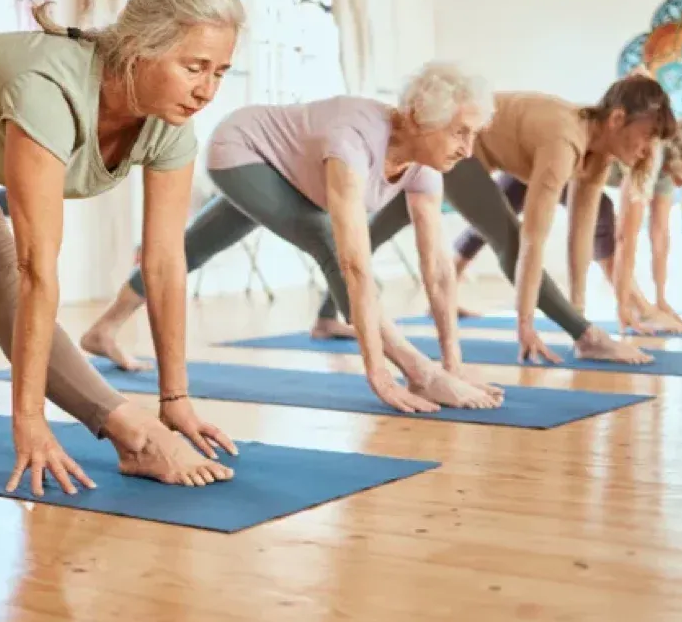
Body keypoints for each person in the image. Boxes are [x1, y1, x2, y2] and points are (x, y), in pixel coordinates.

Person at [0, 0, 245, 499]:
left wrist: (175, 396)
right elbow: (35, 269)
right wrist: (28, 421)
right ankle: (132, 433)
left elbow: (162, 263)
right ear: (138, 47)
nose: (207, 90)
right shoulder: (48, 91)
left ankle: (139, 430)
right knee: (6, 274)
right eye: (194, 67)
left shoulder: (170, 125)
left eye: (220, 72)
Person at [82, 62, 507, 413]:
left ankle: (103, 330)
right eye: (459, 132)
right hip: (243, 150)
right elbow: (352, 262)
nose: (468, 150)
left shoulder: (426, 163)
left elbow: (437, 268)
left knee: (194, 247)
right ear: (418, 119)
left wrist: (454, 361)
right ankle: (418, 371)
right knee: (326, 242)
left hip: (285, 169)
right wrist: (390, 372)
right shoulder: (354, 139)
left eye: (473, 135)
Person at [310, 75, 677, 364]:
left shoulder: (596, 157)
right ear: (616, 119)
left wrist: (580, 309)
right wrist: (528, 324)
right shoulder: (563, 140)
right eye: (646, 137)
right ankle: (586, 336)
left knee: (374, 232)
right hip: (457, 148)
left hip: (473, 153)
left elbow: (578, 239)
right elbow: (529, 239)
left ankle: (327, 317)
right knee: (508, 236)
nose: (647, 151)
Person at [450, 120, 682, 334]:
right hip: (547, 156)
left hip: (557, 163)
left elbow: (659, 234)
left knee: (487, 221)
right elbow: (626, 235)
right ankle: (639, 308)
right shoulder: (649, 154)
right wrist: (631, 306)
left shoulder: (667, 173)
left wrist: (662, 301)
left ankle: (643, 307)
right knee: (489, 221)